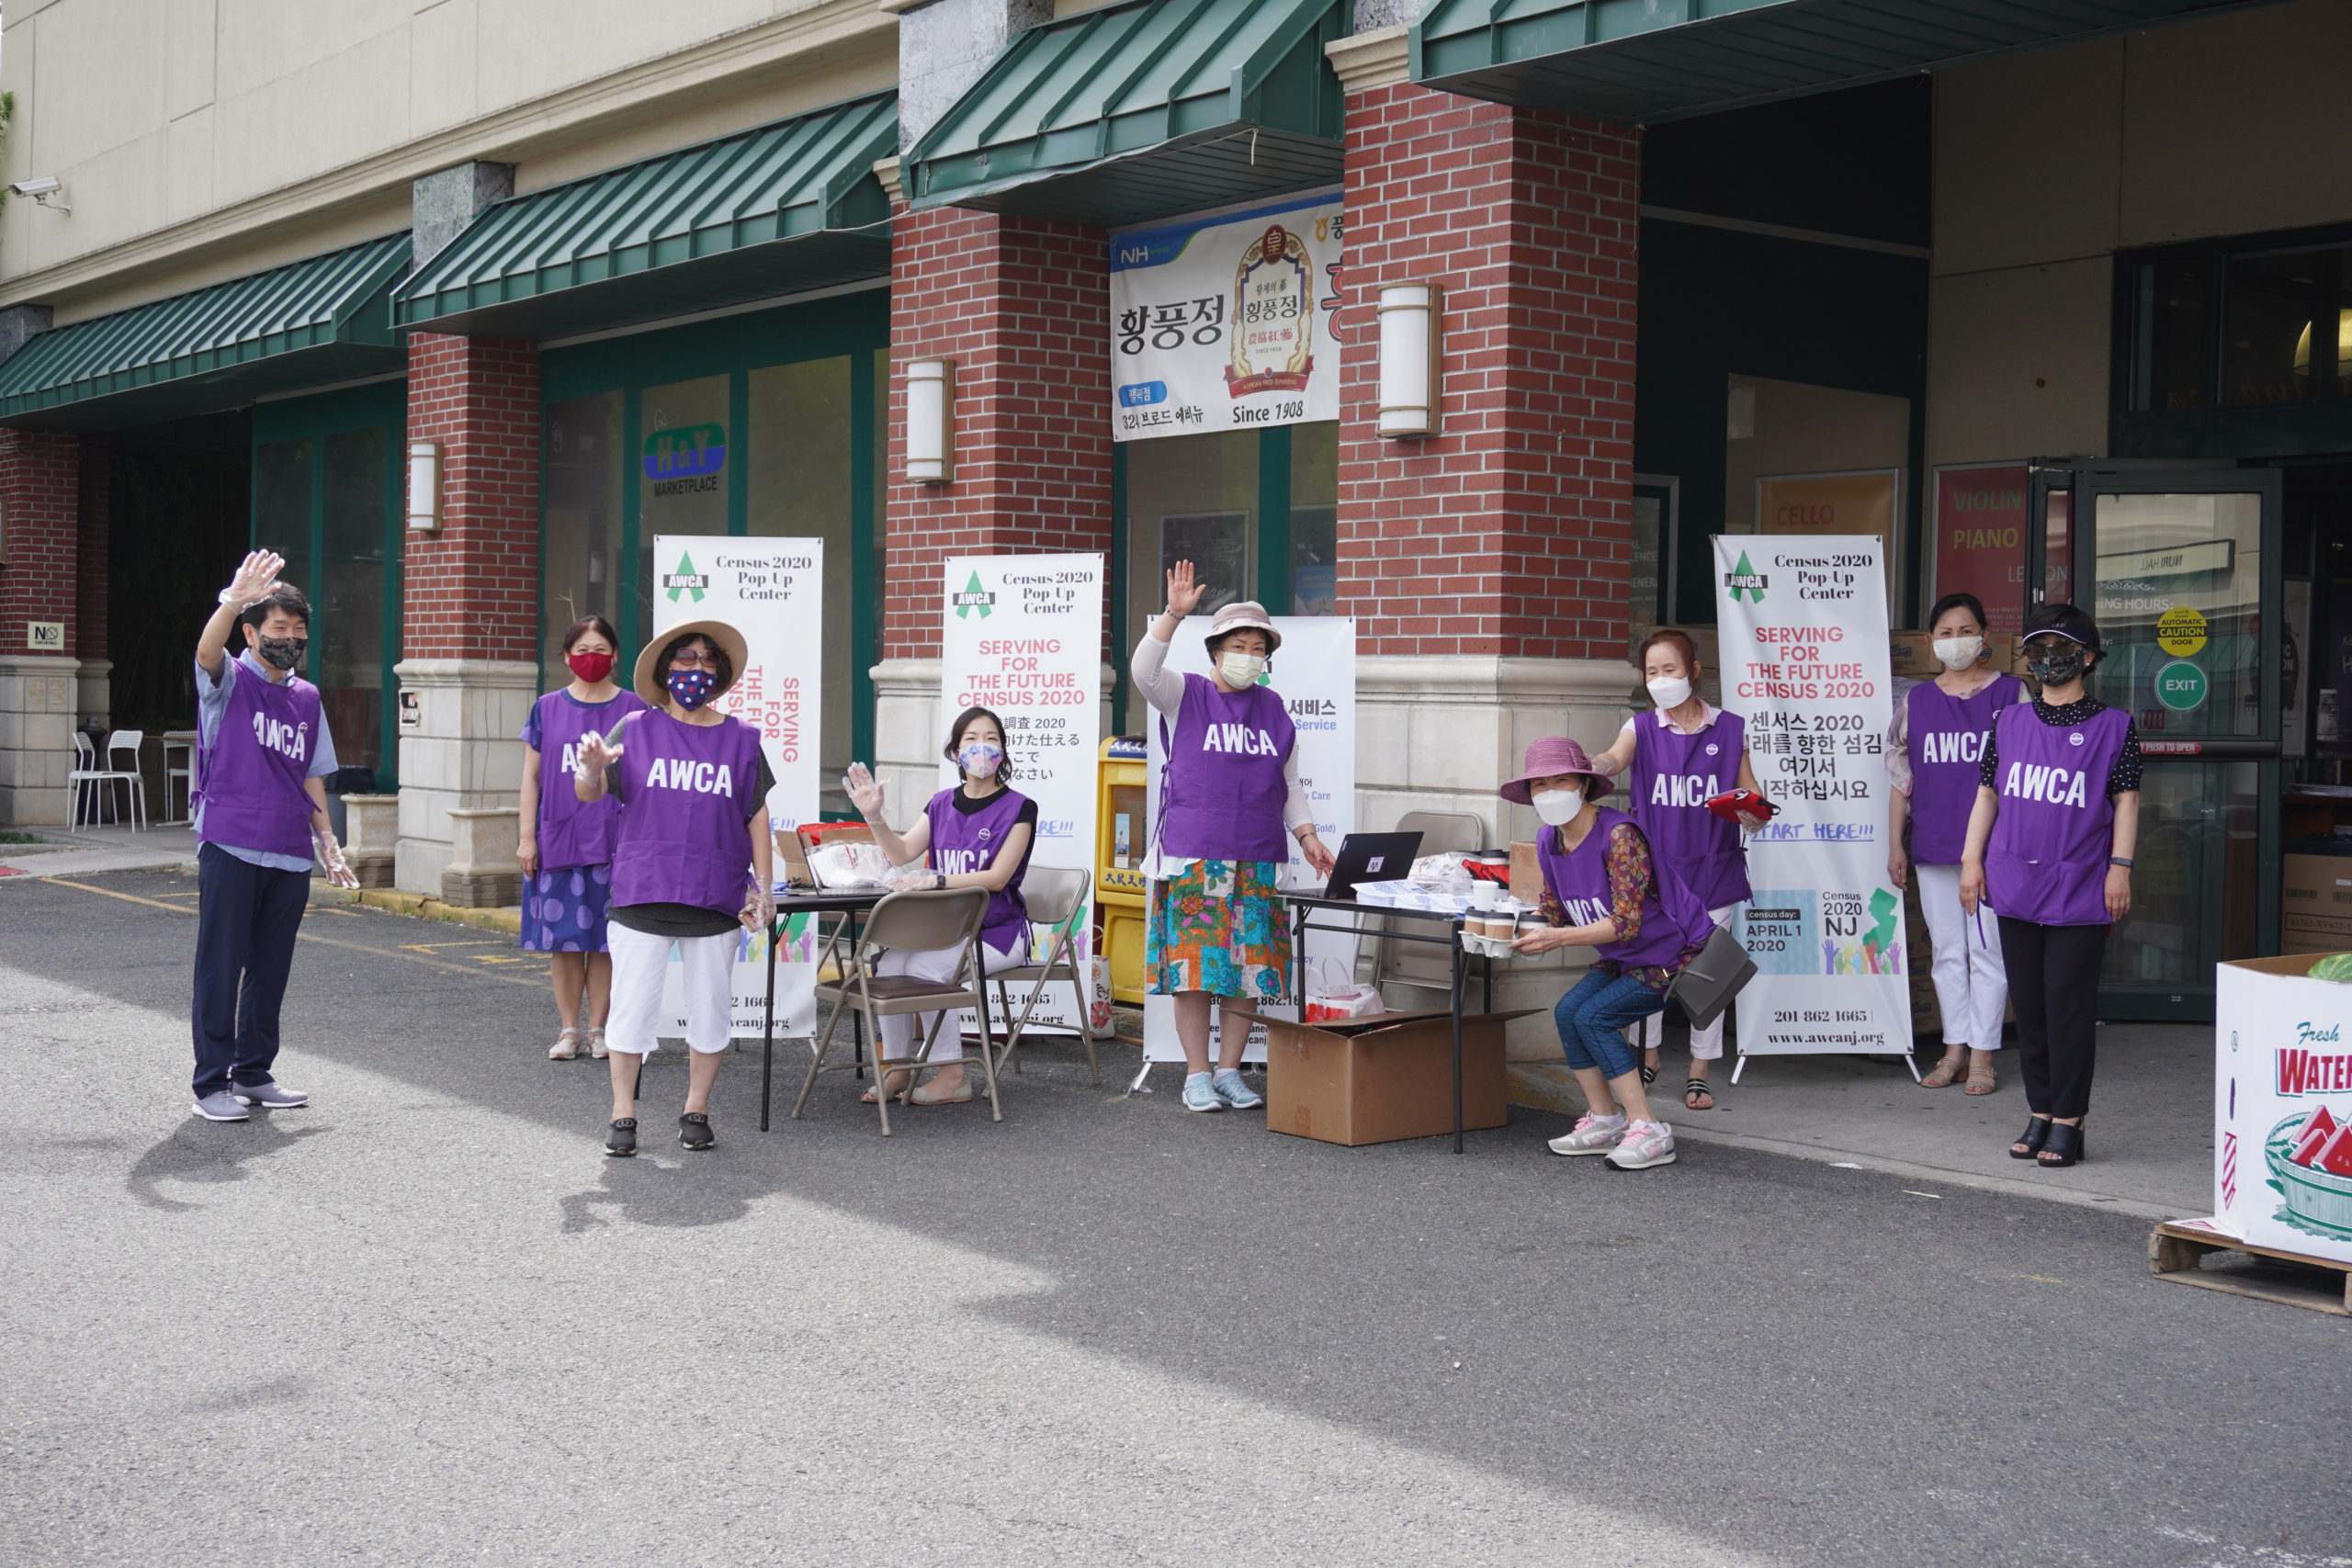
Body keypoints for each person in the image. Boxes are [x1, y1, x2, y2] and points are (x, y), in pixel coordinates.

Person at [1134, 561, 1336, 1112]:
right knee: (1195, 972)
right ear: (1216, 650)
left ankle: (1229, 1071)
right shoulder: (1185, 693)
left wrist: (1308, 836)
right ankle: (1196, 1074)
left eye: (1258, 648)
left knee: (1250, 970)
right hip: (1195, 857)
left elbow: (1289, 783)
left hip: (1259, 857)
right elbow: (1144, 670)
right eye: (1238, 646)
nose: (1249, 656)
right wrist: (1174, 614)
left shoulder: (1274, 709)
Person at [573, 621, 774, 1157]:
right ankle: (623, 1112)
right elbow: (590, 792)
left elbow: (757, 815)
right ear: (665, 670)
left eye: (708, 661)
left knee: (710, 1012)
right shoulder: (634, 729)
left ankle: (696, 1108)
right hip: (642, 891)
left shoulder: (743, 739)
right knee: (631, 1009)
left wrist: (765, 887)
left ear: (720, 674)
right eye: (686, 658)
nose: (697, 669)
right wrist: (590, 771)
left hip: (716, 895)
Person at [1959, 604, 2140, 1170]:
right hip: (2015, 879)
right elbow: (1988, 794)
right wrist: (1971, 861)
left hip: (2081, 884)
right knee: (2032, 1007)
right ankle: (2040, 1111)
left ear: (2088, 658)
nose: (2047, 659)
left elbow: (2126, 800)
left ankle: (2069, 1120)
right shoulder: (2008, 722)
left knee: (2067, 1007)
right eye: (2037, 649)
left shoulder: (2115, 726)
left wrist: (2120, 866)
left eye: (2061, 649)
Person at [187, 549, 362, 1122]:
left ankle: (253, 1073)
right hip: (231, 840)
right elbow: (206, 652)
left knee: (270, 969)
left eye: (298, 630)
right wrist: (231, 599)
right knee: (221, 965)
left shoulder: (306, 697)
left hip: (288, 850)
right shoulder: (230, 679)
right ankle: (211, 1083)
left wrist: (328, 843)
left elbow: (310, 773)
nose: (290, 639)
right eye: (279, 628)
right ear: (251, 632)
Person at [1505, 738, 1713, 1171]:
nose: (1550, 792)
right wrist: (1505, 926)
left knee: (1594, 1017)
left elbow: (1625, 923)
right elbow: (1552, 908)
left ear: (1584, 784)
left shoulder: (1619, 835)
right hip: (1625, 957)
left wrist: (1555, 940)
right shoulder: (1547, 839)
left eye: (1561, 780)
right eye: (1540, 784)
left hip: (1676, 955)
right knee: (1569, 1013)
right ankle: (1605, 1119)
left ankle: (1649, 1128)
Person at [1589, 628, 1768, 1111]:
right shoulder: (1641, 727)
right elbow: (1614, 758)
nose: (1660, 679)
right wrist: (1591, 766)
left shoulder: (1730, 728)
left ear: (1693, 671)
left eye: (1669, 669)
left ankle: (1699, 1069)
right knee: (1647, 969)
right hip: (1655, 876)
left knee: (1707, 975)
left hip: (1714, 871)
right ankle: (1647, 1055)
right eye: (1651, 672)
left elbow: (1750, 792)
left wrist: (1755, 812)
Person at [842, 707, 1036, 1105]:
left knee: (925, 969)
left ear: (1003, 749)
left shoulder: (1020, 807)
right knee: (891, 965)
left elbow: (998, 878)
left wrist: (937, 880)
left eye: (992, 739)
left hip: (997, 932)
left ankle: (953, 1075)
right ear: (955, 752)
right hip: (946, 931)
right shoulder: (940, 803)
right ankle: (897, 1069)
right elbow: (901, 853)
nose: (982, 747)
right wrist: (874, 817)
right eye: (971, 739)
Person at [1887, 592, 2026, 1095]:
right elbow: (1900, 778)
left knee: (1988, 950)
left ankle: (1983, 1055)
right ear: (1931, 641)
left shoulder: (2011, 693)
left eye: (1966, 631)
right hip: (1934, 840)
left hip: (1994, 848)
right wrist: (1895, 844)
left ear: (1984, 635)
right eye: (1945, 633)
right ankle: (1954, 1049)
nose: (1956, 641)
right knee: (1947, 951)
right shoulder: (1917, 701)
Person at [518, 615, 645, 1061]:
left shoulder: (635, 710)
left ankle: (599, 1030)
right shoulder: (546, 707)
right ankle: (569, 1030)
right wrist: (526, 837)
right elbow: (531, 777)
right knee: (565, 942)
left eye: (600, 650)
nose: (592, 658)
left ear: (615, 655)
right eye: (583, 651)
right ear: (567, 657)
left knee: (608, 942)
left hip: (616, 843)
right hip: (559, 839)